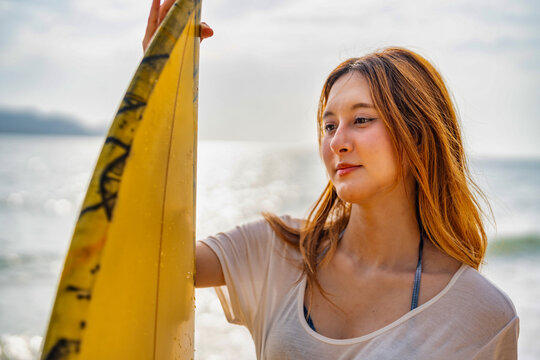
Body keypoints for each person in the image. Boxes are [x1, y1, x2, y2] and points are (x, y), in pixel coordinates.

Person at [144, 2, 519, 359]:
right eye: (328, 125)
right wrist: (157, 92)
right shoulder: (278, 251)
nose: (337, 142)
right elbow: (152, 257)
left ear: (417, 135)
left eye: (361, 120)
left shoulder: (481, 315)